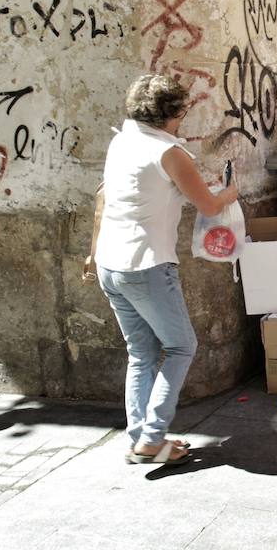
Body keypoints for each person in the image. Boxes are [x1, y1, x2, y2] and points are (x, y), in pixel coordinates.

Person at [95, 74, 238, 465]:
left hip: (111, 262)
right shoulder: (169, 153)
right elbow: (210, 205)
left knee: (141, 352)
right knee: (181, 346)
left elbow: (109, 198)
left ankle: (140, 437)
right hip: (146, 264)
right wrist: (231, 193)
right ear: (176, 112)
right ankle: (153, 437)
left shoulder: (121, 141)